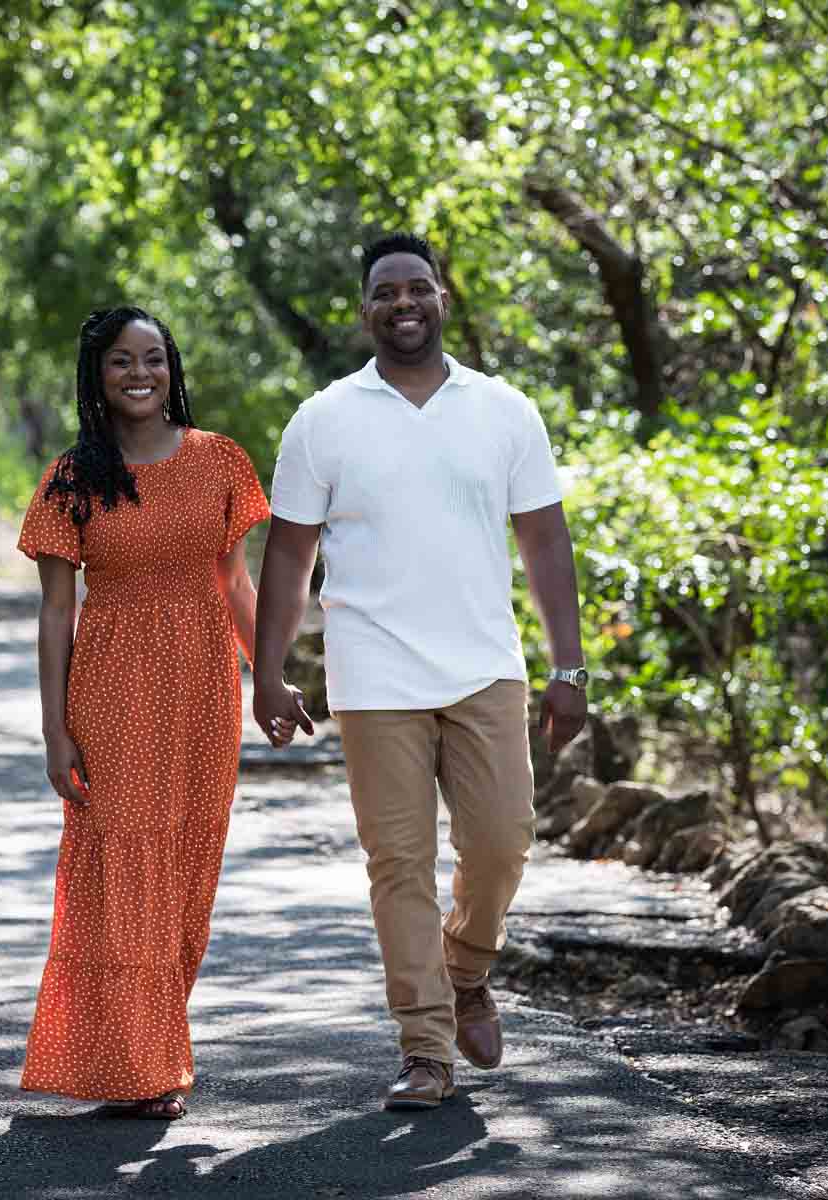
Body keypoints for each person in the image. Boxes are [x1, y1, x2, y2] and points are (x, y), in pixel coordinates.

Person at [252, 233, 588, 1111]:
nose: (402, 304)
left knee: (502, 844)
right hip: (373, 678)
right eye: (384, 294)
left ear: (442, 298)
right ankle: (425, 1049)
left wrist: (571, 668)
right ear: (364, 312)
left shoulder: (503, 409)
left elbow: (545, 542)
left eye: (417, 289)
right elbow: (288, 560)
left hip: (485, 667)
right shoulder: (323, 419)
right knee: (397, 864)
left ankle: (466, 967)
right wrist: (269, 669)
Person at [17, 305, 277, 1120]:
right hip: (114, 691)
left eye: (154, 359)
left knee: (189, 867)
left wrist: (269, 676)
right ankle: (142, 1064)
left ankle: (144, 1045)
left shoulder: (220, 462)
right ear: (97, 376)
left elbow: (235, 584)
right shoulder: (73, 480)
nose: (140, 374)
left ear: (173, 369)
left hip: (204, 689)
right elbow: (56, 614)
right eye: (122, 361)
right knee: (129, 867)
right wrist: (56, 729)